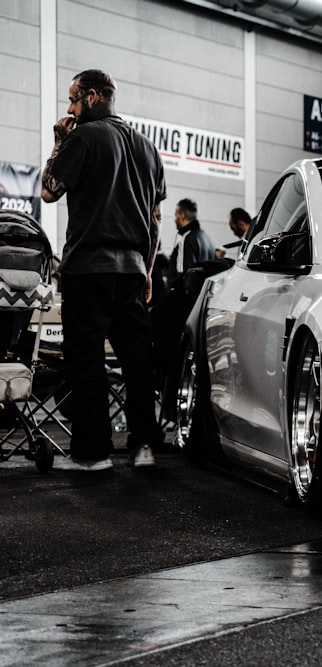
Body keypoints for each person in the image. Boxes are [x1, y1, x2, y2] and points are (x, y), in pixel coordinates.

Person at [40, 69, 165, 472]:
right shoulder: (147, 147)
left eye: (73, 100)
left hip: (89, 268)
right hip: (131, 269)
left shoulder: (82, 138)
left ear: (92, 97)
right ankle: (144, 446)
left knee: (86, 358)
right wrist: (145, 268)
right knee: (137, 360)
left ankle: (92, 454)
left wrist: (59, 141)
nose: (70, 108)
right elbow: (155, 217)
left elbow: (48, 190)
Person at [168, 198, 214, 286]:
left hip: (187, 297)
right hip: (203, 295)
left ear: (182, 215)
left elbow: (183, 275)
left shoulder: (187, 238)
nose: (174, 220)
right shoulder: (207, 238)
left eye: (175, 215)